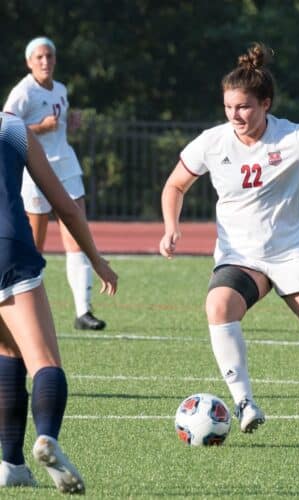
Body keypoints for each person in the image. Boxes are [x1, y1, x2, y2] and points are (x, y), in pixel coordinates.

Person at [159, 43, 299, 448]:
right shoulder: (213, 142)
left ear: (265, 104)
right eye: (229, 106)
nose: (235, 115)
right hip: (241, 256)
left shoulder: (293, 137)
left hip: (292, 252)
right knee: (218, 305)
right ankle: (244, 402)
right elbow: (175, 184)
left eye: (244, 107)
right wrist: (170, 227)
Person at [0, 110, 118, 492]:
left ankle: (10, 464)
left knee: (7, 351)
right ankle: (46, 437)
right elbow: (65, 206)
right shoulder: (12, 126)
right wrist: (96, 260)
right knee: (44, 362)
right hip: (9, 249)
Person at [3, 36, 106, 331]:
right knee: (34, 244)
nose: (45, 62)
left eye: (49, 56)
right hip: (35, 169)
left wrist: (66, 125)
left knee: (77, 233)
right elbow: (6, 129)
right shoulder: (23, 92)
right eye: (39, 57)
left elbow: (56, 128)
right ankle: (22, 309)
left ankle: (83, 312)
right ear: (28, 62)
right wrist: (40, 128)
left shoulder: (60, 89)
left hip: (66, 164)